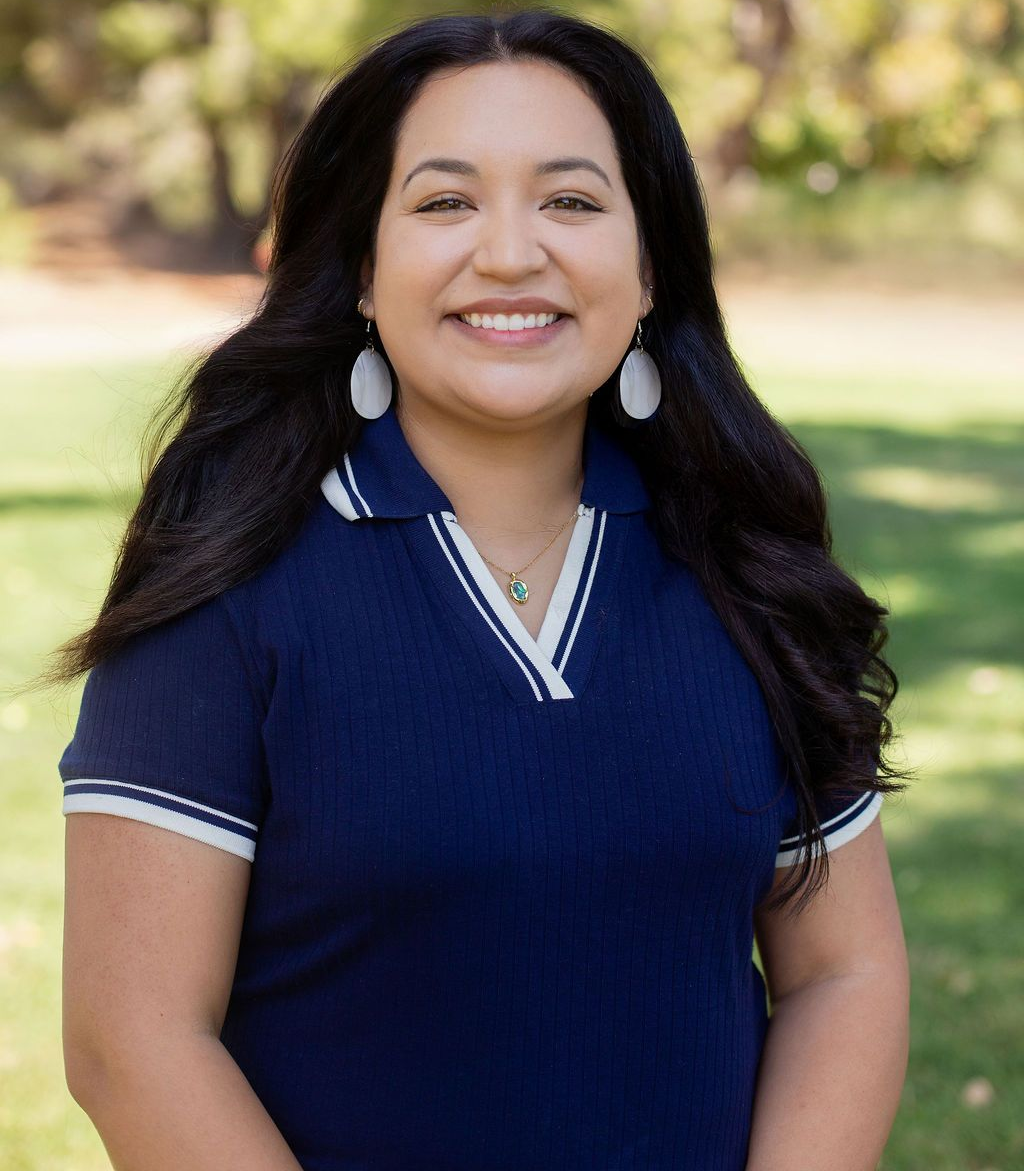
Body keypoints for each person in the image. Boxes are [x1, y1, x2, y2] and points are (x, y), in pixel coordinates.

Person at [51, 9, 912, 1170]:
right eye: (445, 202)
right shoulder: (225, 581)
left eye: (569, 200)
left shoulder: (744, 561)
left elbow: (843, 971)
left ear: (650, 263)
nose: (510, 254)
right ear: (361, 265)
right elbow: (132, 1038)